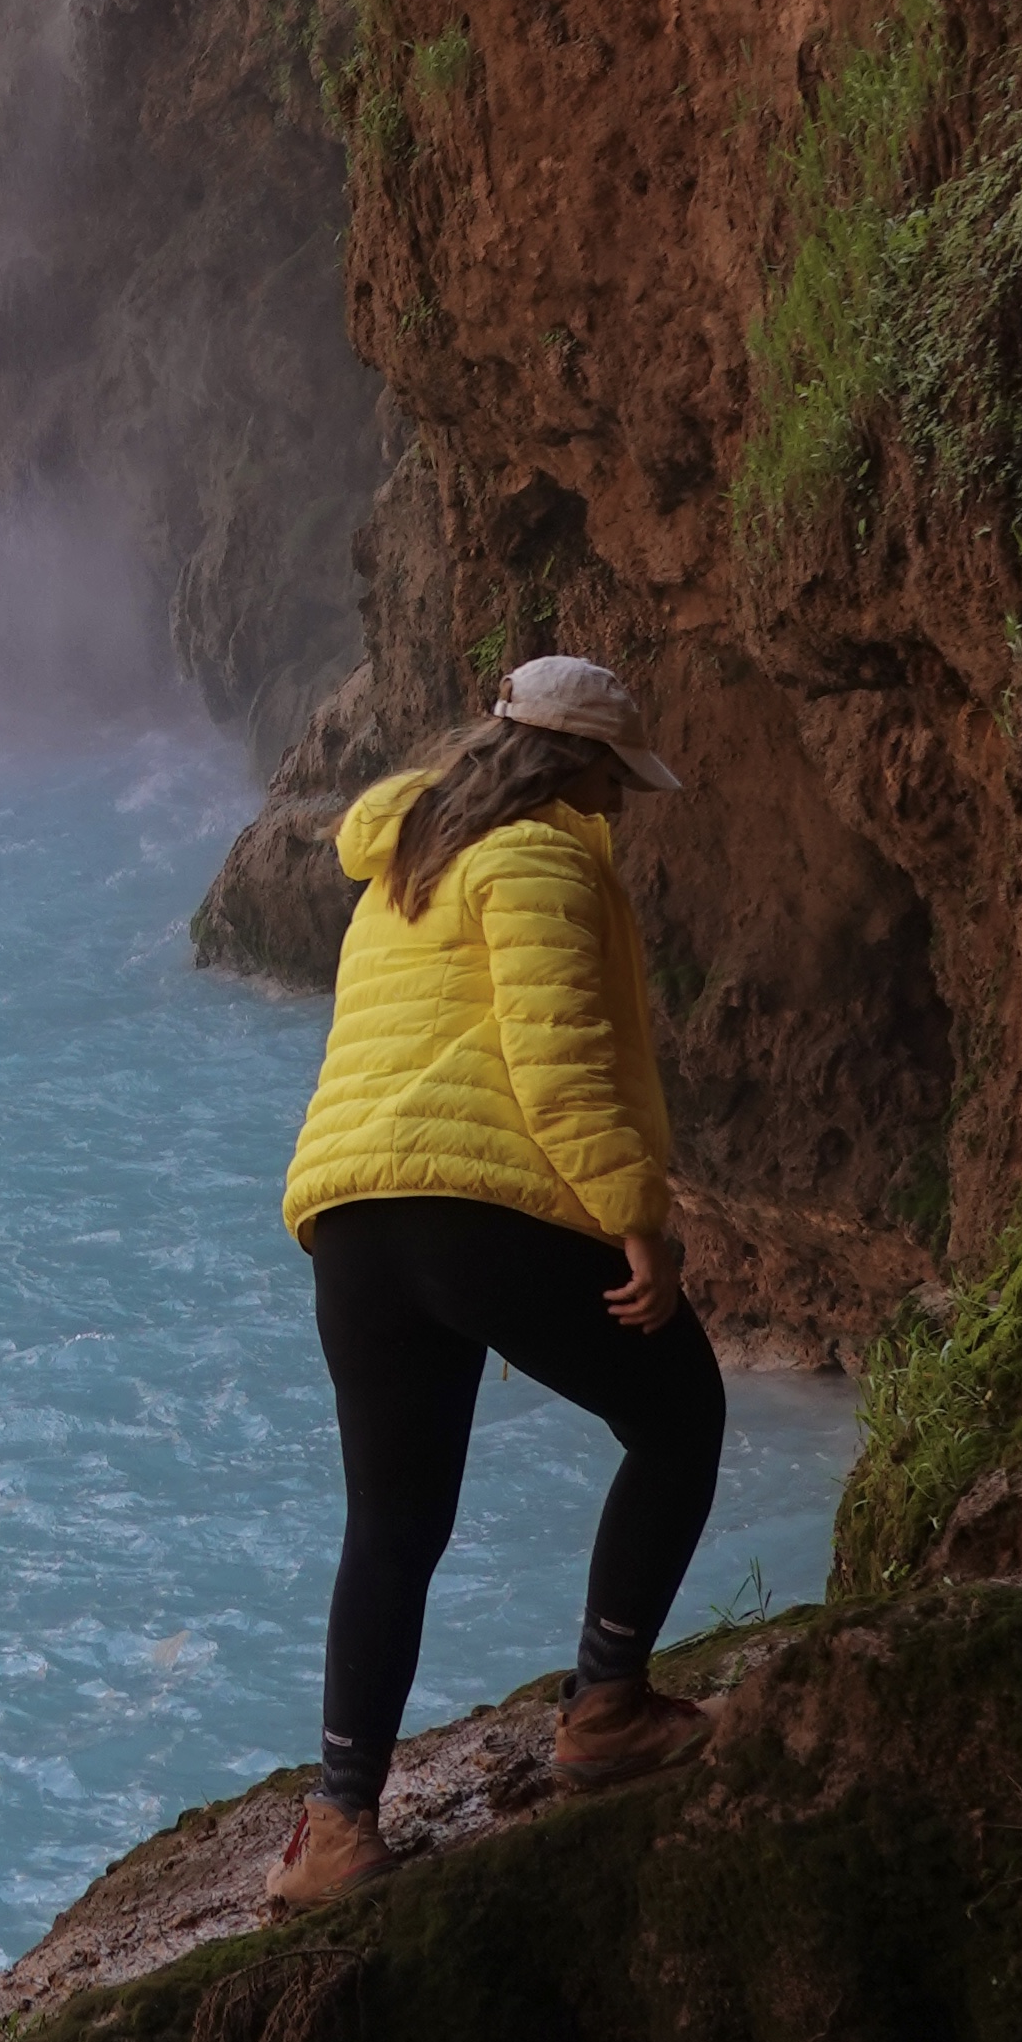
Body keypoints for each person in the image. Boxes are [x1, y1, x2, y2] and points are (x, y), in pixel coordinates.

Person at [265, 649, 727, 1911]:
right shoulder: (539, 860)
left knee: (393, 1523)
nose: (617, 804)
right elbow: (558, 1060)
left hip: (352, 1220)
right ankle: (607, 1708)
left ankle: (339, 1826)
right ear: (574, 765)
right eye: (612, 778)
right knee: (679, 1412)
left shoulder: (400, 865)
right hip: (469, 1209)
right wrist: (638, 1219)